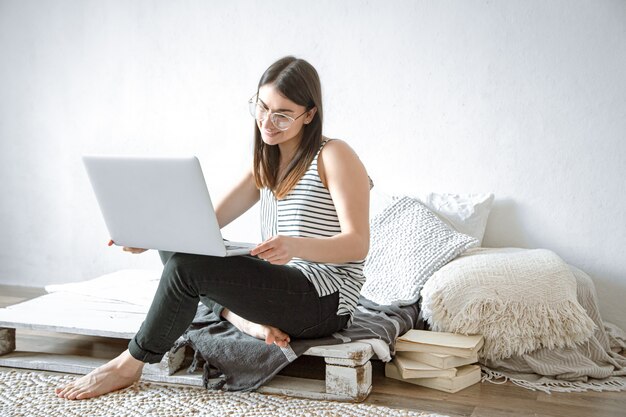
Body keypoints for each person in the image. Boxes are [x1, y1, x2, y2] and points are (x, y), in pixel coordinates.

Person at [55, 56, 371, 400]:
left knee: (185, 269)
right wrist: (143, 235)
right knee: (180, 246)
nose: (267, 121)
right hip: (284, 287)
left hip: (323, 301)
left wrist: (294, 246)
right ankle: (240, 319)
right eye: (262, 107)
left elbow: (357, 244)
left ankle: (129, 363)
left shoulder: (334, 154)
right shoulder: (267, 162)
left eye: (282, 114)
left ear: (309, 115)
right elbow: (202, 225)